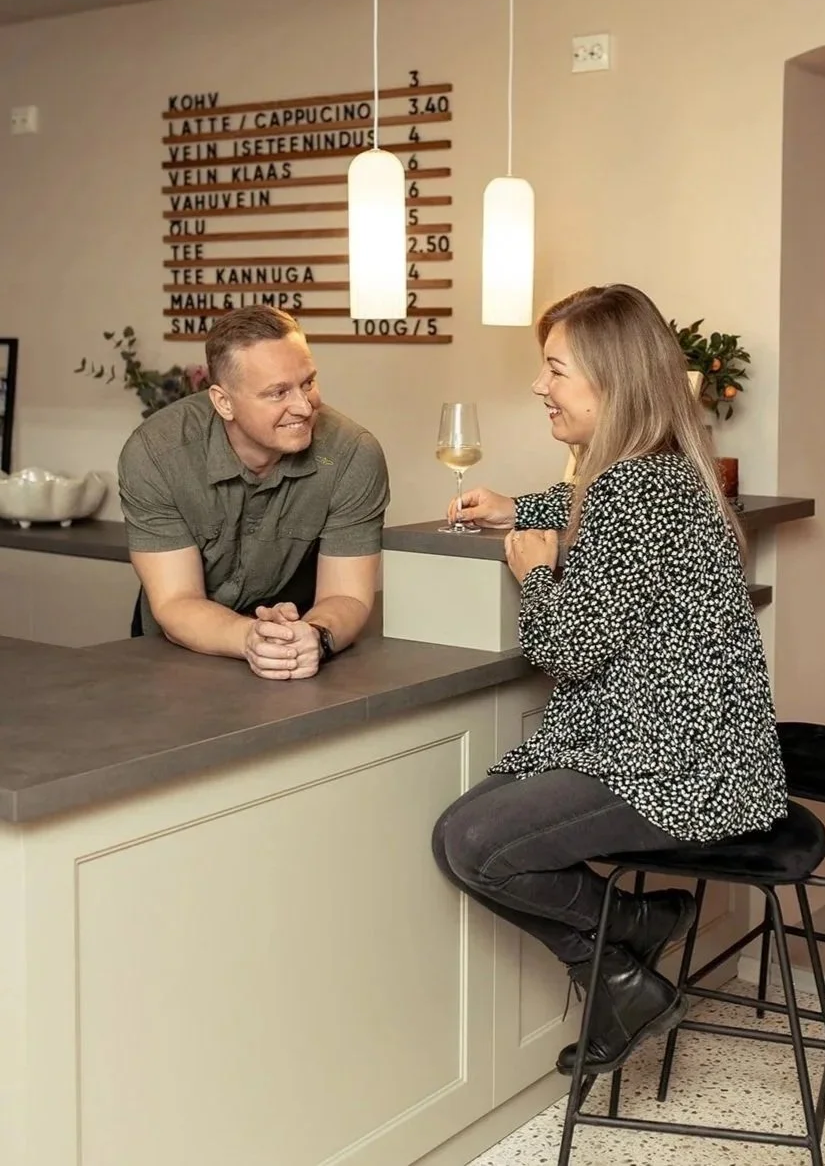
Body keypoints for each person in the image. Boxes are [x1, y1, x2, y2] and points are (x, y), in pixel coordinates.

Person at [432, 283, 787, 1075]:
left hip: (677, 768)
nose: (538, 386)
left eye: (554, 369)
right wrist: (519, 505)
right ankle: (630, 938)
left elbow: (567, 650)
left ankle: (623, 956)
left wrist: (532, 568)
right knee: (470, 828)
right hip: (710, 757)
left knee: (469, 840)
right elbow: (587, 503)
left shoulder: (633, 490)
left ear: (611, 382)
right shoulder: (660, 472)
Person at [118, 306, 389, 681]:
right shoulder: (156, 453)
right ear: (223, 402)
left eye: (307, 382)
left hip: (295, 652)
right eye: (278, 392)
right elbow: (176, 600)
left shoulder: (352, 455)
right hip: (172, 659)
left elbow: (347, 595)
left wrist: (316, 635)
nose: (303, 406)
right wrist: (250, 637)